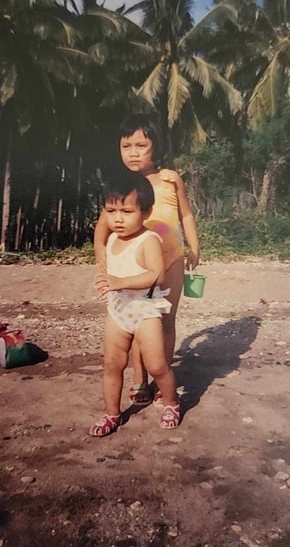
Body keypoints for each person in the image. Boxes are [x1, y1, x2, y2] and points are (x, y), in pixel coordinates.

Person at [94, 114, 200, 407]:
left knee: (165, 320)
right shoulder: (122, 186)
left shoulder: (169, 179)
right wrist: (104, 264)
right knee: (136, 322)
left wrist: (194, 247)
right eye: (127, 146)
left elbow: (186, 215)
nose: (134, 152)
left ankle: (161, 373)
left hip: (172, 260)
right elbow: (101, 231)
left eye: (141, 144)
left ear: (156, 146)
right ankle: (140, 380)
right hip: (135, 269)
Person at [90, 170, 180, 436]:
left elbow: (157, 274)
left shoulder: (148, 239)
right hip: (118, 311)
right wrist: (109, 282)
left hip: (144, 310)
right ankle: (111, 413)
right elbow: (108, 265)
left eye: (127, 212)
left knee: (157, 364)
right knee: (112, 364)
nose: (118, 218)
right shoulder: (113, 239)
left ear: (146, 211)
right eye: (111, 211)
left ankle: (171, 402)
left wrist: (120, 282)